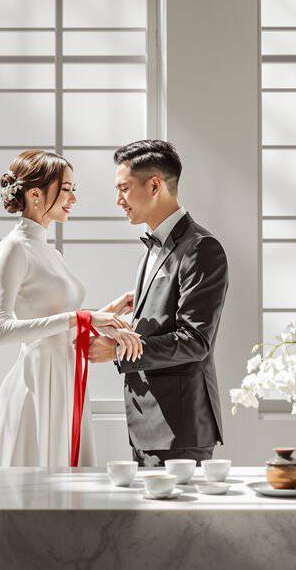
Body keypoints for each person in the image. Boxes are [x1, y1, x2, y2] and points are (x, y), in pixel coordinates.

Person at [0, 150, 142, 467]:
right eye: (66, 189)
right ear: (35, 194)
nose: (73, 198)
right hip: (39, 378)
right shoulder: (14, 247)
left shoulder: (48, 250)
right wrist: (82, 317)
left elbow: (58, 320)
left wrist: (111, 309)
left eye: (73, 189)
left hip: (65, 373)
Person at [88, 140, 229, 467]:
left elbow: (195, 341)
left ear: (154, 186)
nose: (118, 200)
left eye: (123, 189)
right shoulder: (151, 251)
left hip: (179, 430)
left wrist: (120, 350)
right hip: (148, 427)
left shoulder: (201, 248)